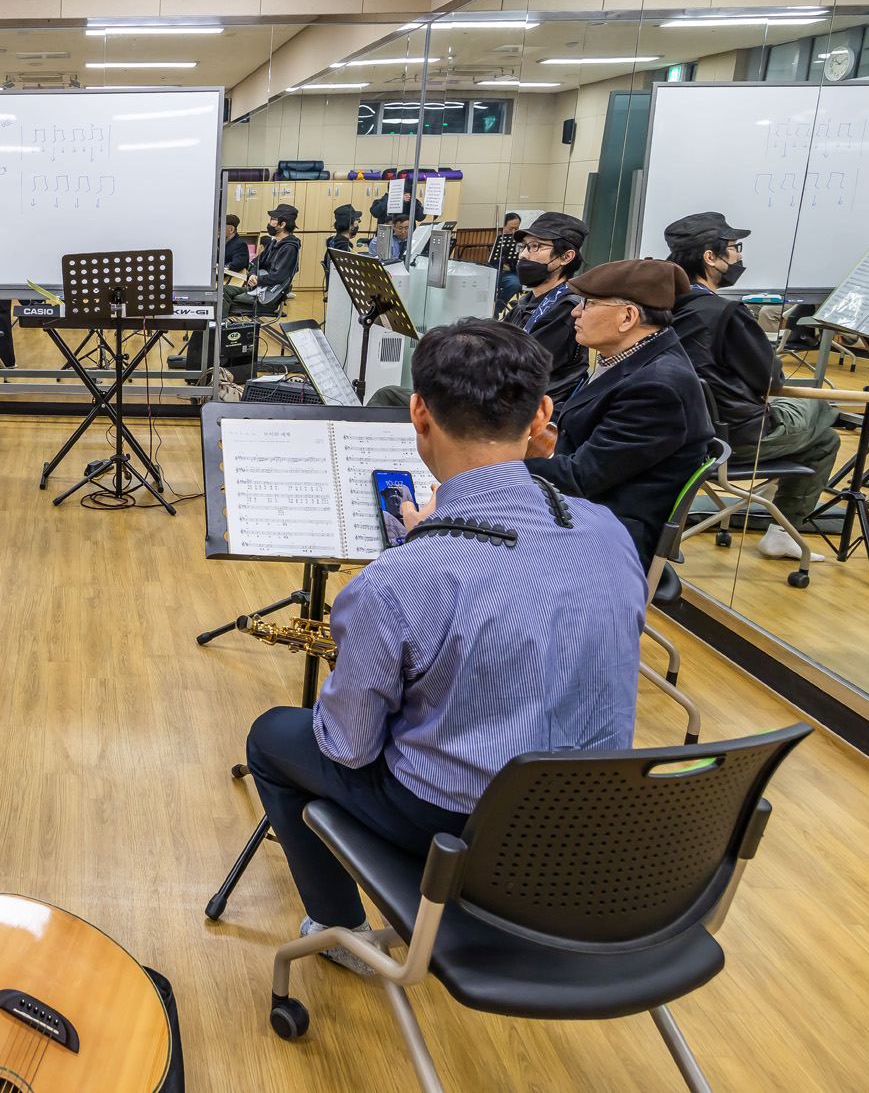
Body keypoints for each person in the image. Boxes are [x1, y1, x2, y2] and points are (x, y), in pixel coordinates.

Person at [246, 318, 642, 972]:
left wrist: (423, 553)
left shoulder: (400, 579)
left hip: (461, 830)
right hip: (587, 819)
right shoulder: (608, 531)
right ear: (542, 413)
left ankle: (338, 925)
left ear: (419, 414)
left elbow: (347, 746)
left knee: (274, 735)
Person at [666, 211, 838, 562]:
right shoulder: (723, 312)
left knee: (821, 437)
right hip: (731, 440)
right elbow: (770, 380)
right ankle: (781, 531)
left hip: (675, 435)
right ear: (710, 258)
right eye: (734, 248)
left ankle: (779, 527)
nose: (739, 256)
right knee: (822, 415)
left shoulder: (660, 304)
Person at [527, 259, 715, 567]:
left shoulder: (657, 387)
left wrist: (492, 464)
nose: (575, 311)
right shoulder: (632, 357)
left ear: (627, 317)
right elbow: (575, 421)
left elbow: (581, 477)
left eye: (586, 304)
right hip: (587, 510)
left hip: (609, 536)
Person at [500, 212, 590, 404]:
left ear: (566, 257)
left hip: (533, 411)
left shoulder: (568, 309)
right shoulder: (529, 300)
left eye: (535, 246)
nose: (523, 255)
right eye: (523, 246)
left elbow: (520, 367)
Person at [226, 204, 301, 317]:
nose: (269, 223)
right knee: (222, 290)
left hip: (266, 298)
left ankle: (219, 329)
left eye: (272, 219)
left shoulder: (289, 248)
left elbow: (278, 277)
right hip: (257, 289)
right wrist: (252, 275)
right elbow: (256, 262)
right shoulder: (273, 243)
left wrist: (258, 280)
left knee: (222, 296)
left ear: (282, 224)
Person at [489, 212, 523, 313]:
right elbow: (490, 261)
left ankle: (497, 310)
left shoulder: (520, 240)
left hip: (510, 272)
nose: (513, 232)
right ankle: (488, 308)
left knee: (515, 283)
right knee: (491, 283)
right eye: (510, 228)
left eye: (516, 229)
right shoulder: (498, 238)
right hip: (494, 270)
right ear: (503, 227)